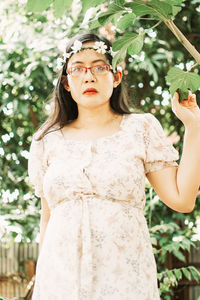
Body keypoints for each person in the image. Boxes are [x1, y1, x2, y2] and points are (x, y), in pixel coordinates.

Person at [28, 32, 200, 300]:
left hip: (125, 279)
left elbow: (182, 199)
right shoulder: (45, 141)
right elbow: (47, 217)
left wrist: (194, 126)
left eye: (99, 66)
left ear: (116, 76)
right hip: (60, 281)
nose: (89, 76)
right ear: (66, 83)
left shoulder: (140, 128)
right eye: (77, 69)